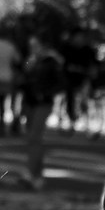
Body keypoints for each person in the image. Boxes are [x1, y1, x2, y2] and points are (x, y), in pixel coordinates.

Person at [17, 21, 65, 189]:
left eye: (35, 44)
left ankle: (31, 173)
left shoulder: (51, 60)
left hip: (42, 102)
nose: (33, 47)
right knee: (32, 139)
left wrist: (45, 92)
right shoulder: (32, 60)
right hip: (30, 101)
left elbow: (59, 83)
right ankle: (37, 175)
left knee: (34, 138)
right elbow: (25, 79)